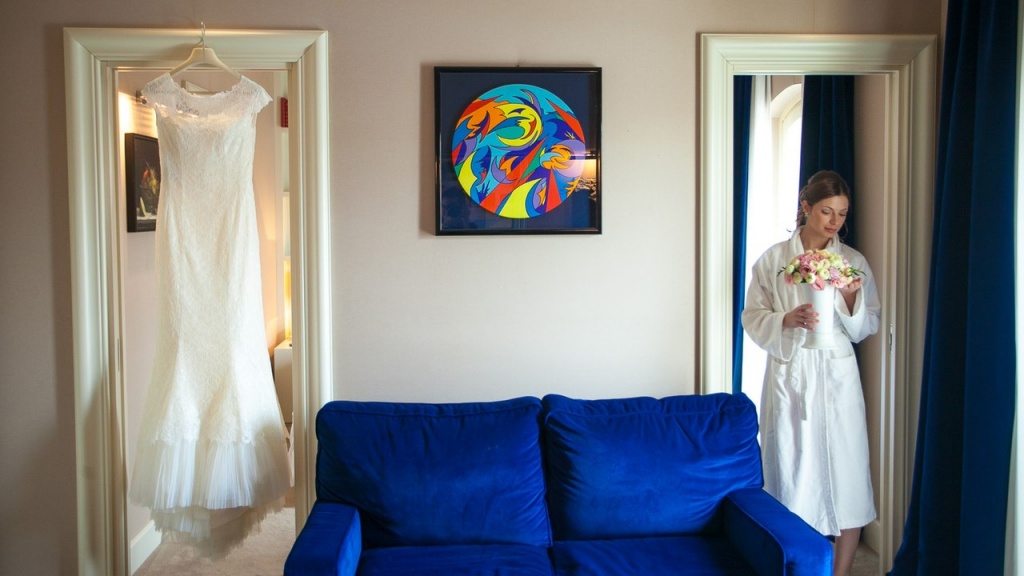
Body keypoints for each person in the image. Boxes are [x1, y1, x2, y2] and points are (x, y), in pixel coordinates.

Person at [741, 170, 880, 576]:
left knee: (848, 470)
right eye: (826, 211)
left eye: (842, 213)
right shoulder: (773, 260)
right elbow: (752, 316)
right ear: (806, 207)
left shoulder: (853, 262)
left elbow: (866, 325)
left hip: (837, 373)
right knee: (790, 469)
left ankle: (841, 571)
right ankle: (794, 565)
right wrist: (785, 319)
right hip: (792, 371)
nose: (835, 221)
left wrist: (851, 299)